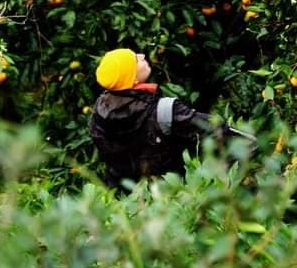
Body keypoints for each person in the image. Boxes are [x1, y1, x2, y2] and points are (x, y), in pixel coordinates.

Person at [89, 47, 222, 191]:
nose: (142, 56)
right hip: (172, 198)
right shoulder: (164, 110)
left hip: (127, 203)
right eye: (135, 60)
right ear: (132, 78)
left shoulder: (98, 115)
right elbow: (218, 130)